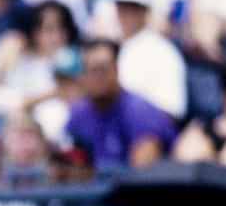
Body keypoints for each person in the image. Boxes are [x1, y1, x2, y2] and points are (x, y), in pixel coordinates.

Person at [62, 38, 176, 171]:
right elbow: (68, 169)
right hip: (92, 189)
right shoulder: (78, 113)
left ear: (116, 70)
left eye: (101, 69)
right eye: (87, 70)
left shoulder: (139, 112)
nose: (94, 77)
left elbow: (144, 174)